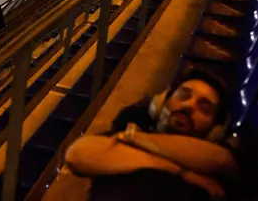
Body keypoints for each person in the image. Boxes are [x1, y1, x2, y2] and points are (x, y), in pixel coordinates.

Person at [65, 72, 243, 201]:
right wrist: (182, 172)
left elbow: (221, 159)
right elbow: (77, 154)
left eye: (204, 107)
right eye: (183, 95)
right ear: (161, 103)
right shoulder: (136, 130)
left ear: (215, 131)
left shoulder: (131, 138)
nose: (189, 106)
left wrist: (135, 139)